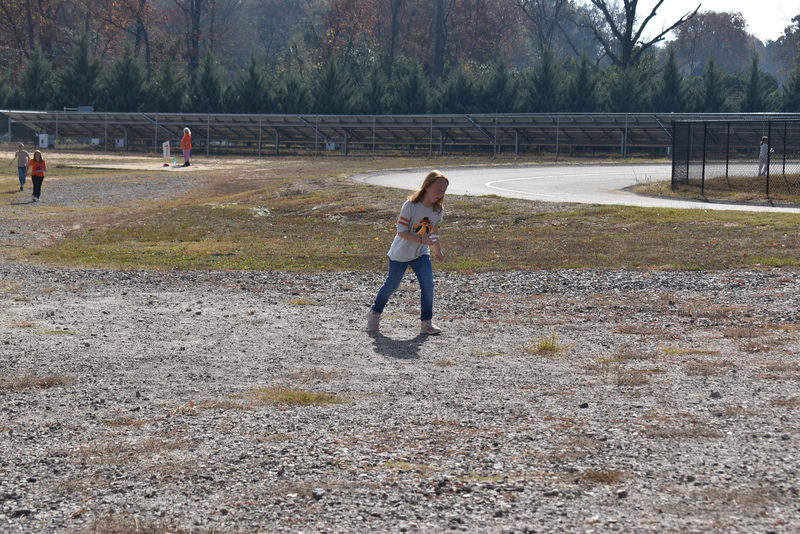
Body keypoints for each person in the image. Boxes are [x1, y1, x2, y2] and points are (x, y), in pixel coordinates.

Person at [367, 170, 448, 335]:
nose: (441, 193)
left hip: (420, 253)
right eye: (438, 188)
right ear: (427, 187)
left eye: (444, 190)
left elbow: (433, 230)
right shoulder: (410, 206)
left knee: (428, 284)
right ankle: (374, 313)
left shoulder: (437, 210)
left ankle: (426, 323)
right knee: (392, 285)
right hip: (401, 254)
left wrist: (437, 249)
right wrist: (422, 240)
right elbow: (402, 232)